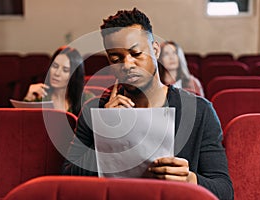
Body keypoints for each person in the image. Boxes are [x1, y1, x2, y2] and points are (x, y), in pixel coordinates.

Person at [62, 8, 233, 200]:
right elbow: (68, 181)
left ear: (156, 50)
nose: (127, 65)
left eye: (136, 53)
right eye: (116, 58)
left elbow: (224, 191)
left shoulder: (200, 111)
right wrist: (105, 137)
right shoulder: (95, 110)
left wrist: (191, 181)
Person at [24, 46, 95, 116]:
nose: (57, 73)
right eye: (55, 66)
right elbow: (23, 124)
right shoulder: (40, 96)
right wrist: (28, 99)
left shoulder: (87, 99)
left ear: (74, 75)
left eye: (65, 70)